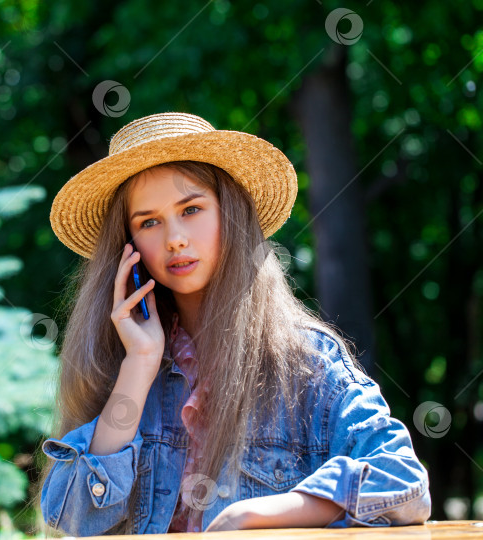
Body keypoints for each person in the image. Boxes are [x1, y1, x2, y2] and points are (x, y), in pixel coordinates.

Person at [34, 112, 431, 536]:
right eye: (148, 221)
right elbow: (71, 518)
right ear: (128, 246)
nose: (175, 239)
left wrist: (261, 514)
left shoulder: (304, 361)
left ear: (231, 214)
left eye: (191, 209)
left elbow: (404, 483)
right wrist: (140, 363)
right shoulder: (117, 361)